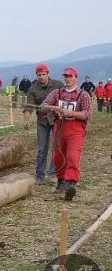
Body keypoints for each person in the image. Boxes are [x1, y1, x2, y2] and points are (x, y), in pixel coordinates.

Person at [41, 67, 91, 201]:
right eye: (66, 76)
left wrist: (71, 113)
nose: (67, 78)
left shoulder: (83, 95)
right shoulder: (57, 93)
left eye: (70, 76)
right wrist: (53, 107)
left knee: (72, 156)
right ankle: (61, 181)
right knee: (58, 156)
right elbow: (42, 106)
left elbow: (87, 114)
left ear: (76, 78)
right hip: (59, 128)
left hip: (75, 130)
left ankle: (70, 184)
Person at [23, 64, 64, 183]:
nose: (41, 77)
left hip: (57, 120)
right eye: (39, 75)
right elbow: (29, 106)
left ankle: (52, 173)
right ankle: (39, 175)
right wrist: (26, 120)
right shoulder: (33, 88)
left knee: (56, 147)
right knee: (41, 149)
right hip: (42, 121)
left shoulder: (58, 85)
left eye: (43, 74)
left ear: (48, 73)